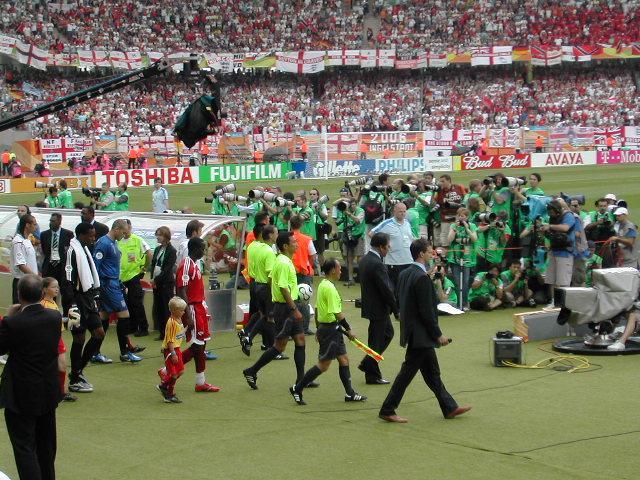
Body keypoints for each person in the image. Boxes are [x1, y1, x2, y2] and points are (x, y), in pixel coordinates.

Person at [379, 239, 470, 423]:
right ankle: (388, 409)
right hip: (421, 335)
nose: (432, 254)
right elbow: (427, 311)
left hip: (413, 332)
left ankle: (449, 407)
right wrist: (438, 335)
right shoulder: (420, 278)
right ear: (421, 254)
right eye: (430, 251)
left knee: (432, 374)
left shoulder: (406, 274)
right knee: (407, 374)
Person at [0, 275, 62, 480]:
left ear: (19, 295)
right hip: (47, 392)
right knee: (46, 448)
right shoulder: (54, 318)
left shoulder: (13, 323)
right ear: (42, 293)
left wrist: (7, 317)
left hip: (21, 395)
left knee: (25, 449)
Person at [289, 258, 367, 405]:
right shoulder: (329, 288)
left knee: (343, 359)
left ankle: (350, 393)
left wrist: (318, 329)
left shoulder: (324, 284)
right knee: (323, 365)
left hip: (329, 329)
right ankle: (297, 388)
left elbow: (318, 309)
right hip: (331, 330)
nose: (341, 271)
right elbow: (337, 313)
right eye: (339, 268)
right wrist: (349, 330)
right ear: (332, 270)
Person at [243, 232, 309, 390]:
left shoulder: (282, 260)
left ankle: (302, 379)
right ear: (285, 246)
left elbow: (273, 279)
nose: (297, 244)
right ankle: (251, 371)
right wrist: (294, 308)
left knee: (300, 340)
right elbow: (283, 287)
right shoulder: (284, 263)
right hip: (286, 309)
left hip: (285, 306)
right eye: (294, 242)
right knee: (279, 346)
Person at [170, 237, 220, 392]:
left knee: (200, 346)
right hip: (192, 309)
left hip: (199, 308)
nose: (204, 251)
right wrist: (188, 314)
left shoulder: (195, 263)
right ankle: (199, 382)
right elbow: (181, 289)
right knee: (198, 347)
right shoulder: (186, 264)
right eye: (202, 248)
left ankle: (167, 371)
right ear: (195, 248)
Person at [93, 219, 143, 363]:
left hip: (114, 283)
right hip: (107, 285)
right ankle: (125, 352)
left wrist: (119, 282)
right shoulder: (103, 243)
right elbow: (96, 266)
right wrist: (98, 286)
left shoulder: (114, 243)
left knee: (104, 316)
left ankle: (95, 352)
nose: (124, 234)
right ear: (116, 229)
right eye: (123, 231)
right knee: (124, 314)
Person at [65, 222, 105, 393]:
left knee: (99, 334)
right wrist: (72, 305)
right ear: (82, 235)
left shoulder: (85, 249)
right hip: (77, 300)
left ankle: (78, 370)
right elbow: (68, 280)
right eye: (91, 235)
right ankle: (75, 379)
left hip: (88, 298)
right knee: (79, 338)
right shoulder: (72, 251)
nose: (93, 238)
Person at [357, 232, 398, 385]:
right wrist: (396, 309)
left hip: (371, 306)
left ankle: (369, 367)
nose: (388, 249)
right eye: (387, 246)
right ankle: (371, 371)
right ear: (381, 247)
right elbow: (386, 290)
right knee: (378, 339)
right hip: (379, 308)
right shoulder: (377, 263)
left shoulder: (365, 260)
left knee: (383, 335)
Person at [41, 277, 76, 402]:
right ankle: (59, 392)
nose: (57, 289)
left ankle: (60, 392)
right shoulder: (43, 305)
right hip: (51, 339)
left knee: (62, 366)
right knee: (59, 366)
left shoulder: (53, 303)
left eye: (57, 286)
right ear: (44, 289)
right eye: (53, 287)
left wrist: (68, 320)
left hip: (57, 338)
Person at [118, 219, 152, 337]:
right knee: (127, 304)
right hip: (122, 277)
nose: (124, 230)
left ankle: (143, 327)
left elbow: (149, 254)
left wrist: (144, 268)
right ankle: (132, 326)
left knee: (136, 302)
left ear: (130, 227)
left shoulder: (137, 240)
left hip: (134, 276)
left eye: (125, 227)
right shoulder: (119, 241)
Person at [540, 200, 577, 308]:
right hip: (554, 250)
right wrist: (544, 232)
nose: (550, 214)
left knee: (563, 280)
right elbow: (552, 235)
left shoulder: (568, 215)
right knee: (551, 279)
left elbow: (565, 228)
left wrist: (550, 226)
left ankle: (565, 304)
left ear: (557, 210)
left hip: (565, 252)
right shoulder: (553, 218)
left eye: (551, 212)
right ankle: (553, 302)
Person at [370, 202, 415, 288]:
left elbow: (410, 238)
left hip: (408, 261)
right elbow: (372, 233)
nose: (403, 214)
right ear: (394, 211)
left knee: (407, 288)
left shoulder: (407, 223)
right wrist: (384, 244)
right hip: (394, 263)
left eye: (404, 211)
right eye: (400, 212)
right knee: (395, 288)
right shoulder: (387, 223)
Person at [40, 213, 74, 317]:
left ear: (59, 221)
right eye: (50, 221)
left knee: (66, 292)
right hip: (50, 266)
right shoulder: (44, 234)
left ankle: (66, 316)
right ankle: (49, 314)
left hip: (62, 267)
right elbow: (44, 250)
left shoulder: (68, 234)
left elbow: (70, 251)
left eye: (53, 221)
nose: (51, 223)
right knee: (48, 291)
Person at [156, 296, 187, 403]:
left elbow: (179, 333)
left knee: (181, 371)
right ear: (174, 311)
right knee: (174, 374)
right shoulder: (171, 323)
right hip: (171, 350)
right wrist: (173, 353)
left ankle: (164, 383)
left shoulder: (179, 319)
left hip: (177, 348)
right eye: (182, 310)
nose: (183, 312)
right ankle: (168, 393)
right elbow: (169, 340)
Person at [289, 215, 316, 335]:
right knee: (304, 301)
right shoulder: (307, 239)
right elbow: (313, 255)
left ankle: (291, 329)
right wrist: (307, 264)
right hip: (304, 272)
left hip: (290, 272)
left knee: (290, 301)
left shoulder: (286, 237)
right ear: (301, 225)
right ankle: (304, 328)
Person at [446, 208, 478, 310]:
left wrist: (467, 228)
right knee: (457, 281)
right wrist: (455, 228)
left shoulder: (472, 225)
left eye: (463, 216)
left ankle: (464, 303)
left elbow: (474, 239)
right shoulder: (453, 225)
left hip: (467, 258)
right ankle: (457, 303)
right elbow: (449, 240)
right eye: (459, 215)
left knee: (465, 282)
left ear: (467, 217)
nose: (460, 217)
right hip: (455, 258)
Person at [151, 226, 177, 341]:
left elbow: (167, 269)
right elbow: (153, 264)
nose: (158, 237)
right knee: (158, 308)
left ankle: (169, 332)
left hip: (166, 283)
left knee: (167, 308)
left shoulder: (172, 251)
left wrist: (156, 280)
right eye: (157, 235)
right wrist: (152, 278)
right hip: (157, 282)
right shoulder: (157, 249)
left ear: (166, 236)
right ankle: (161, 332)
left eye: (160, 235)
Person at [335, 197, 365, 286]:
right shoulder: (345, 211)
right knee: (349, 258)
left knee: (360, 259)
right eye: (351, 205)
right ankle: (350, 279)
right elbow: (338, 222)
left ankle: (362, 277)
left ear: (356, 204)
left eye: (353, 204)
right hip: (348, 236)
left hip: (358, 236)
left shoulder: (361, 211)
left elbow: (358, 220)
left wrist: (348, 214)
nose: (352, 206)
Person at [11, 214, 38, 304]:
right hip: (22, 282)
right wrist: (36, 277)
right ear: (27, 225)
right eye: (34, 224)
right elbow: (21, 265)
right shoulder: (18, 241)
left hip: (31, 280)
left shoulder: (27, 240)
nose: (36, 226)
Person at [433, 174, 466, 247]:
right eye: (440, 181)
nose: (441, 183)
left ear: (449, 181)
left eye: (443, 181)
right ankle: (446, 256)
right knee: (444, 239)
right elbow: (434, 202)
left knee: (458, 237)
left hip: (458, 217)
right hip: (445, 218)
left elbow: (465, 198)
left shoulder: (459, 187)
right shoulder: (439, 191)